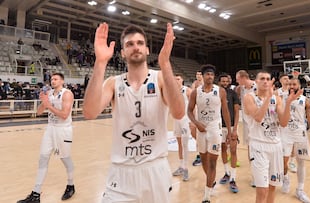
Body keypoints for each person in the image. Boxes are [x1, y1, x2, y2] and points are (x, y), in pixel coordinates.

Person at [83, 23, 184, 203]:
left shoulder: (160, 78)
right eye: (129, 44)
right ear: (122, 52)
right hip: (121, 171)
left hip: (155, 169)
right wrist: (100, 62)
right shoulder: (113, 83)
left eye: (139, 43)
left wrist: (165, 63)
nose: (135, 47)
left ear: (146, 49)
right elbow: (90, 112)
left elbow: (178, 112)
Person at [242, 71, 301, 203]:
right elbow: (257, 118)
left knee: (272, 187)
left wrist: (289, 103)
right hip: (258, 146)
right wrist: (268, 98)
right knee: (262, 190)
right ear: (256, 82)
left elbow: (284, 122)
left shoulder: (277, 98)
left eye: (268, 79)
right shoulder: (249, 97)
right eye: (262, 78)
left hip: (276, 146)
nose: (265, 81)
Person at [17, 73, 75, 203]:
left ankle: (71, 185)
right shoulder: (48, 93)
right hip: (50, 129)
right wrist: (44, 103)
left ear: (62, 81)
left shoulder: (67, 94)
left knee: (65, 159)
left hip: (63, 130)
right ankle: (36, 194)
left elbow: (65, 115)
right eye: (51, 79)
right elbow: (38, 112)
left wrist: (48, 105)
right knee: (43, 158)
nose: (52, 81)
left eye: (55, 79)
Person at [187, 64, 232, 203]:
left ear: (214, 77)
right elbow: (189, 111)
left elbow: (225, 111)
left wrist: (229, 131)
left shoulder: (220, 91)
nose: (210, 77)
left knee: (213, 162)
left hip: (215, 128)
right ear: (203, 76)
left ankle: (206, 196)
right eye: (207, 74)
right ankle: (211, 181)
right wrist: (196, 123)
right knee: (204, 160)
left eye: (212, 75)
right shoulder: (196, 92)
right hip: (201, 128)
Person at [281, 78, 310, 203]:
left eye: (294, 84)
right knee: (282, 161)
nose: (291, 86)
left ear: (299, 86)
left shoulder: (305, 101)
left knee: (301, 162)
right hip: (285, 133)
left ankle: (300, 190)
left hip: (300, 134)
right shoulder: (281, 98)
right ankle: (285, 178)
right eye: (289, 84)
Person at [218, 73, 240, 193]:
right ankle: (226, 173)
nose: (225, 83)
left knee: (233, 150)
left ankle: (233, 178)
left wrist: (235, 129)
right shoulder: (216, 93)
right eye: (223, 81)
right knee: (222, 150)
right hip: (219, 127)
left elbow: (237, 112)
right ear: (219, 82)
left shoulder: (233, 93)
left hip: (231, 126)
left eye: (227, 81)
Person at [235, 69, 257, 187]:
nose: (237, 81)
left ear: (243, 78)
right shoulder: (241, 89)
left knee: (260, 149)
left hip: (258, 122)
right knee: (250, 148)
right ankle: (254, 176)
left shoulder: (257, 86)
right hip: (247, 123)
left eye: (238, 79)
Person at [275, 74, 297, 173]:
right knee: (281, 143)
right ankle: (280, 162)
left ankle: (292, 162)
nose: (287, 80)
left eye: (288, 78)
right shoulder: (277, 92)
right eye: (284, 78)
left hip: (292, 120)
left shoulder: (293, 91)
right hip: (280, 120)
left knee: (293, 143)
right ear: (280, 81)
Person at [172, 73, 192, 181]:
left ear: (182, 80)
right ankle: (181, 166)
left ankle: (186, 168)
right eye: (175, 79)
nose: (176, 80)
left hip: (185, 120)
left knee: (185, 144)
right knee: (179, 144)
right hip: (176, 120)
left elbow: (194, 105)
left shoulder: (187, 90)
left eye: (178, 79)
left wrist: (193, 120)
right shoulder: (172, 92)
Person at [191, 70, 204, 166]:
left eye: (200, 74)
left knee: (202, 132)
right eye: (197, 74)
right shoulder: (194, 83)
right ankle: (200, 151)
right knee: (193, 130)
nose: (198, 76)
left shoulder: (205, 84)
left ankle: (201, 154)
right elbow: (191, 96)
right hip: (196, 107)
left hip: (204, 110)